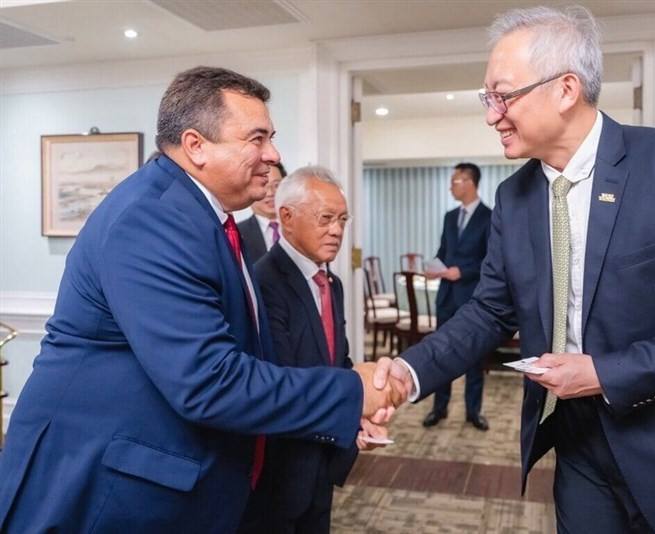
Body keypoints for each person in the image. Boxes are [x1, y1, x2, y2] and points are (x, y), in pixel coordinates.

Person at [380, 6, 655, 533]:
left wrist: (605, 373)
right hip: (579, 448)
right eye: (487, 99)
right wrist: (405, 375)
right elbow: (488, 314)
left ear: (566, 89)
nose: (491, 114)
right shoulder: (515, 196)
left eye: (502, 95)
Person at [0, 66, 399, 533]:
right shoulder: (152, 220)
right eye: (257, 139)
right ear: (196, 146)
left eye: (271, 137)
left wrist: (336, 415)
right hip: (105, 489)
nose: (273, 155)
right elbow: (209, 381)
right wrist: (353, 392)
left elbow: (250, 359)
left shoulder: (205, 219)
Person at [241, 166, 384, 533]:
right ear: (286, 217)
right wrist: (350, 406)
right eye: (325, 219)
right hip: (281, 467)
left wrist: (359, 417)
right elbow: (282, 380)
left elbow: (339, 362)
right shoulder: (264, 282)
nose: (337, 230)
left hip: (321, 460)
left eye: (342, 219)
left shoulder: (330, 282)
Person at [422, 162, 491, 431]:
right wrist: (435, 268)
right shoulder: (450, 217)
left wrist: (461, 271)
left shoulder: (489, 216)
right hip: (447, 297)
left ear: (469, 182)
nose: (451, 186)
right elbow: (443, 249)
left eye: (455, 181)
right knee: (441, 355)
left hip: (473, 299)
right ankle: (439, 408)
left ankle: (474, 412)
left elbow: (490, 261)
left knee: (474, 358)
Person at [238, 161, 287, 263]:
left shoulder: (302, 227)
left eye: (276, 185)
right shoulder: (237, 234)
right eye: (263, 185)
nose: (270, 193)